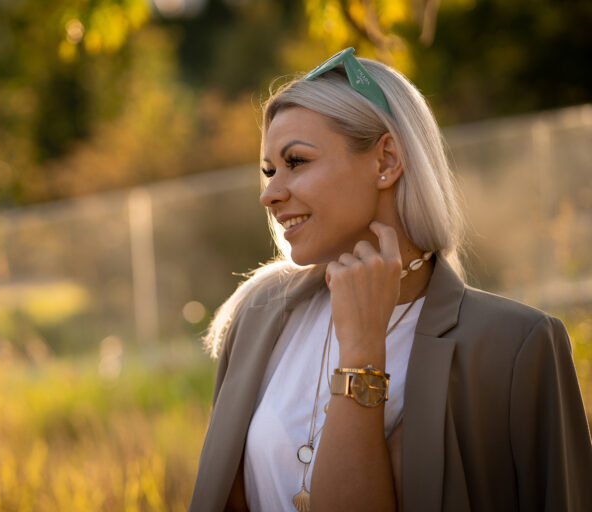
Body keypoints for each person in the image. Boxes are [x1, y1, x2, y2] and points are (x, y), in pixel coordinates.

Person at [188, 48, 592, 512]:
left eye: (296, 162)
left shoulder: (517, 348)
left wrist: (360, 352)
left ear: (386, 160)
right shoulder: (259, 315)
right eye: (268, 170)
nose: (270, 194)